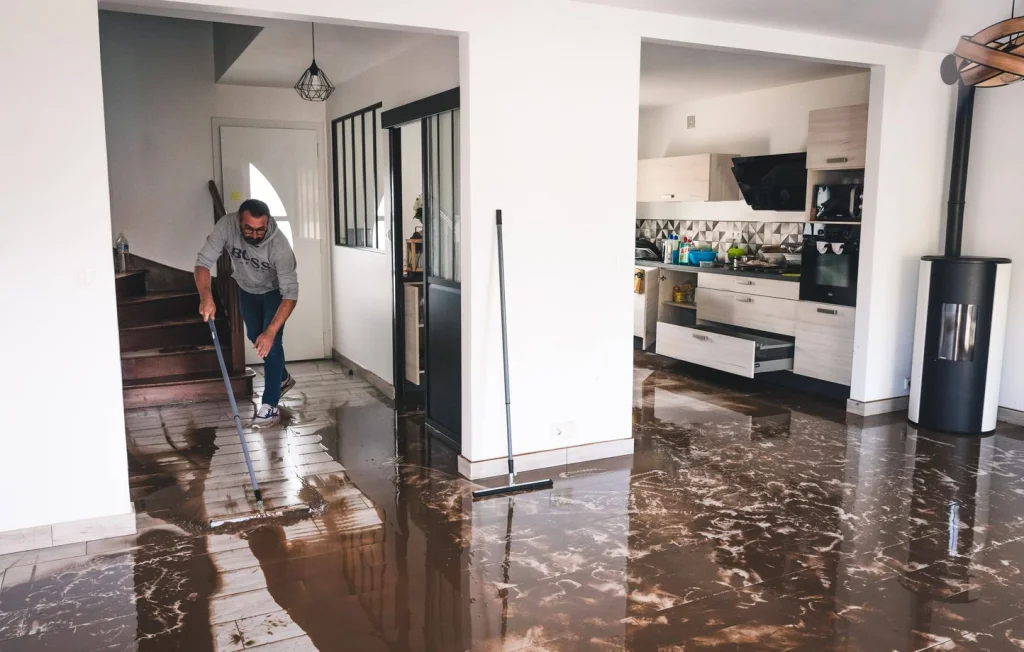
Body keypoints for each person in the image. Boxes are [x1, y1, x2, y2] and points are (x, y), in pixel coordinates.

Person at [194, 199, 298, 426]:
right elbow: (203, 262)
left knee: (270, 342)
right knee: (254, 336)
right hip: (246, 287)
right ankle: (282, 378)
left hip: (275, 292)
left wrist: (271, 332)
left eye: (260, 229)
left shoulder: (279, 247)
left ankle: (269, 405)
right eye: (248, 228)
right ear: (239, 220)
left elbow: (290, 294)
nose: (254, 234)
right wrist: (206, 296)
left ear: (268, 223)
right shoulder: (227, 225)